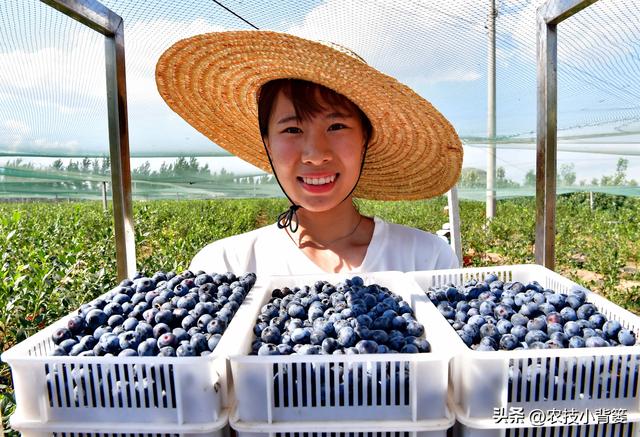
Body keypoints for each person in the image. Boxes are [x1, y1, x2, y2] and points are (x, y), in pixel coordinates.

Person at [155, 31, 463, 276]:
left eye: (337, 126)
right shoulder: (225, 267)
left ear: (365, 138)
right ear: (267, 144)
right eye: (292, 130)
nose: (315, 155)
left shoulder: (426, 259)